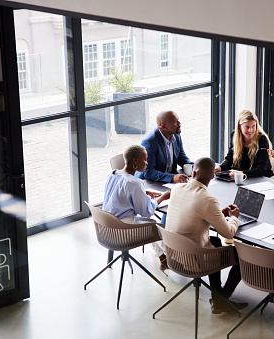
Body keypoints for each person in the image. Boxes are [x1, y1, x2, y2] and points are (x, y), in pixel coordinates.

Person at [165, 157, 247, 314]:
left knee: (214, 241)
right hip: (193, 260)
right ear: (213, 176)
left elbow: (192, 215)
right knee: (241, 254)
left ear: (193, 172)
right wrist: (234, 217)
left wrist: (217, 215)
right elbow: (229, 233)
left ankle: (218, 299)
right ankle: (222, 299)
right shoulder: (208, 200)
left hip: (173, 255)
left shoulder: (177, 188)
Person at [103, 145, 171, 269]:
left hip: (106, 227)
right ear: (135, 160)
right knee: (155, 227)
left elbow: (119, 192)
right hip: (122, 230)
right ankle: (174, 258)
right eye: (144, 160)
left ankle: (164, 259)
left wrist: (143, 193)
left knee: (151, 225)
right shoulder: (134, 183)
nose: (147, 163)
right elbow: (146, 211)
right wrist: (162, 198)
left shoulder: (112, 174)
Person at [137, 110, 192, 183]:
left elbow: (181, 158)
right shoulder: (150, 142)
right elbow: (149, 172)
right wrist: (172, 177)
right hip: (150, 182)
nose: (179, 123)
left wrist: (197, 168)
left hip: (168, 181)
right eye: (175, 122)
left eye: (178, 120)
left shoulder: (176, 136)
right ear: (164, 126)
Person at [215, 109, 273, 178]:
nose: (250, 130)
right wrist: (219, 168)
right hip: (242, 178)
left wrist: (241, 174)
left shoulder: (262, 140)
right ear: (240, 126)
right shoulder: (234, 136)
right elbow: (229, 159)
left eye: (253, 126)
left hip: (261, 179)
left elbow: (261, 169)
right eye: (247, 127)